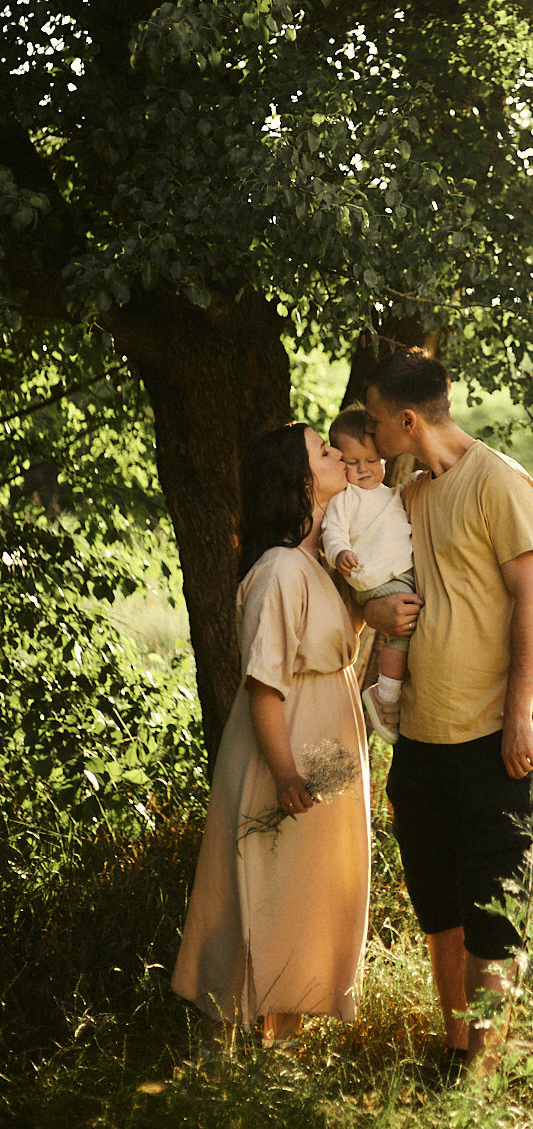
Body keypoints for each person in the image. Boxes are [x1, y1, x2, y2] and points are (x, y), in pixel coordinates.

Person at [361, 348, 533, 1074]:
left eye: (377, 421)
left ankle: (485, 1069)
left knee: (492, 919)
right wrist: (377, 608)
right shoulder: (411, 493)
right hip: (422, 736)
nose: (371, 431)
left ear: (408, 420)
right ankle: (454, 1056)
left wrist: (517, 718)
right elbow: (392, 585)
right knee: (439, 911)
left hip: (491, 735)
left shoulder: (498, 481)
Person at [171, 423, 372, 1048]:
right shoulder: (279, 568)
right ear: (300, 480)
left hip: (325, 760)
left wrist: (372, 612)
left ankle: (280, 1052)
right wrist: (285, 772)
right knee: (260, 896)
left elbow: (333, 647)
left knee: (304, 899)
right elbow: (265, 683)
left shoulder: (314, 564)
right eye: (324, 450)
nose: (340, 454)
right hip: (279, 759)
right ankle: (215, 1064)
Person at [323, 408, 416, 745]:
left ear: (385, 461)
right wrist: (340, 553)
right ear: (339, 463)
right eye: (352, 462)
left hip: (400, 573)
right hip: (374, 578)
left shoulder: (392, 495)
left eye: (371, 460)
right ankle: (385, 696)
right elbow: (333, 533)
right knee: (404, 631)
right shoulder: (344, 499)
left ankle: (401, 689)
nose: (363, 469)